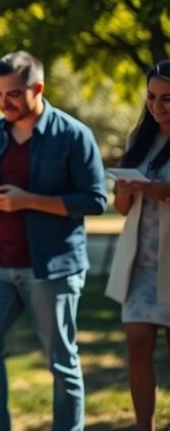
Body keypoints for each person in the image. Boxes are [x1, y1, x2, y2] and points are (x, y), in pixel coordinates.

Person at [0, 51, 106, 431]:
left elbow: (95, 200)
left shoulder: (74, 135)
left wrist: (27, 200)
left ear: (38, 88)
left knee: (61, 360)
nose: (2, 101)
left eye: (12, 94)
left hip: (52, 266)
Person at [106, 60, 170, 431]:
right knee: (137, 344)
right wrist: (126, 190)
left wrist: (161, 192)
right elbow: (121, 206)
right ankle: (143, 425)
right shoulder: (137, 138)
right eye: (151, 97)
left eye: (166, 99)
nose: (157, 106)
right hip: (140, 262)